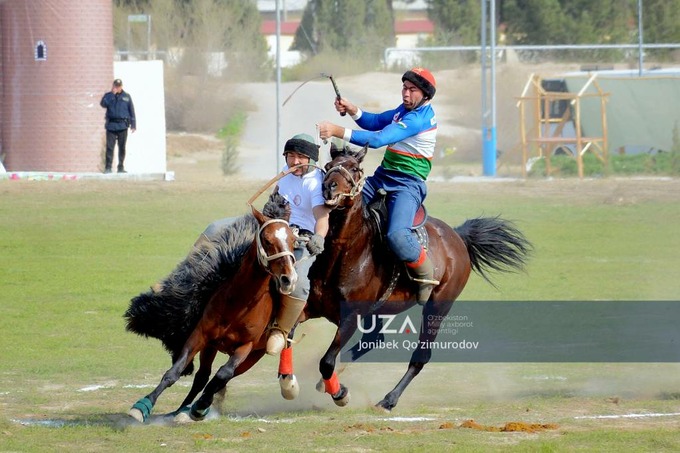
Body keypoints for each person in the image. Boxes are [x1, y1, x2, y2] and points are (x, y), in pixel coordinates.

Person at [317, 67, 439, 304]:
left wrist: (337, 130)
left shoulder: (419, 119)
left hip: (407, 185)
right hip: (382, 177)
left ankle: (426, 276)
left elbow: (379, 138)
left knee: (397, 236)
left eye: (412, 89)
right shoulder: (404, 111)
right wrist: (353, 109)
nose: (406, 93)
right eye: (404, 87)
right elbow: (375, 122)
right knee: (341, 204)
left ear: (425, 95)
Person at [266, 133, 330, 355]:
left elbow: (322, 218)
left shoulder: (316, 183)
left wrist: (319, 237)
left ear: (311, 158)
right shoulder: (284, 176)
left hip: (303, 240)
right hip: (279, 233)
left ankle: (281, 330)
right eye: (290, 156)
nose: (294, 162)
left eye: (300, 156)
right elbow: (273, 203)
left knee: (299, 283)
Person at [100, 78, 136, 173]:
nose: (117, 88)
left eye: (118, 86)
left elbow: (131, 111)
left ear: (121, 87)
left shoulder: (127, 97)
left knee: (122, 147)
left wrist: (133, 125)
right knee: (110, 147)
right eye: (115, 86)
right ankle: (108, 167)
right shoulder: (108, 96)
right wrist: (112, 94)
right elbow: (103, 104)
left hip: (123, 125)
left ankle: (120, 167)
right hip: (111, 125)